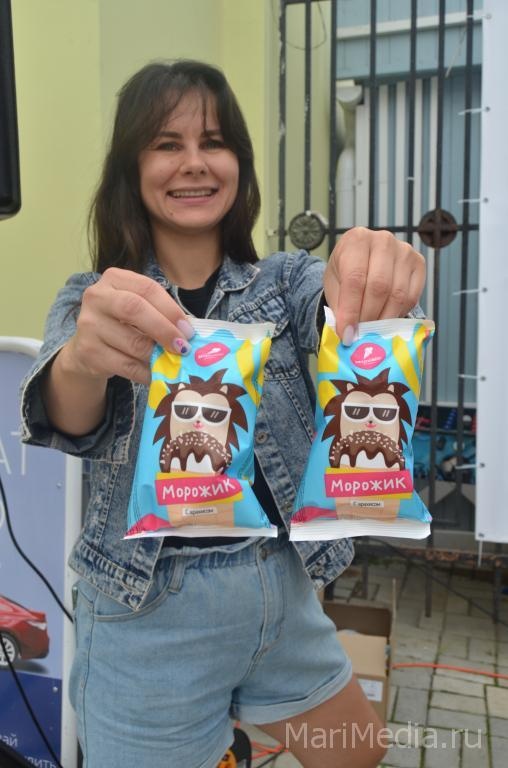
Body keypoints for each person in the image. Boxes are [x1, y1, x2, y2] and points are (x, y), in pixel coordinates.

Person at [20, 60, 425, 768]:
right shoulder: (97, 298)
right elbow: (68, 416)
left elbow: (335, 309)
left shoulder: (284, 280)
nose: (194, 163)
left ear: (239, 161)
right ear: (132, 168)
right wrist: (83, 359)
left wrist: (372, 277)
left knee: (359, 751)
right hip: (148, 613)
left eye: (214, 141)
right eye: (166, 144)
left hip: (280, 587)